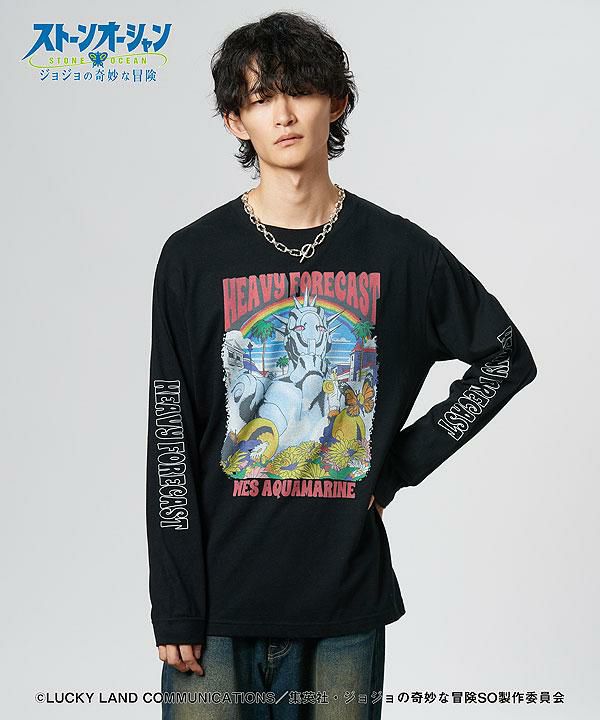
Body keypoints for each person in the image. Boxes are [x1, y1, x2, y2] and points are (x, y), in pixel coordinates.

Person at [145, 10, 537, 720]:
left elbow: (506, 356)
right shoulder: (193, 259)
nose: (284, 113)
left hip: (345, 601)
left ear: (338, 102)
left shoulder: (400, 254)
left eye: (300, 90)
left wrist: (398, 465)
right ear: (235, 121)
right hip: (215, 606)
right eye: (261, 97)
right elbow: (170, 434)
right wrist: (174, 601)